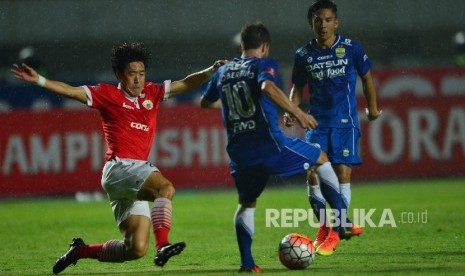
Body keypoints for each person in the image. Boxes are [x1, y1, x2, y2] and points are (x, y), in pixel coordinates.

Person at [11, 42, 225, 274]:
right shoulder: (108, 94)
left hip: (129, 178)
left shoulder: (151, 93)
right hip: (121, 167)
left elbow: (184, 83)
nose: (137, 80)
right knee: (166, 188)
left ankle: (80, 251)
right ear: (119, 74)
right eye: (132, 74)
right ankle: (163, 245)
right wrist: (39, 81)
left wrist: (211, 70)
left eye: (141, 74)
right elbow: (72, 91)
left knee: (135, 249)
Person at [200, 22, 348, 271]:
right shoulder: (263, 65)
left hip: (239, 153)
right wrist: (298, 113)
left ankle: (247, 264)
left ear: (241, 46)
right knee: (321, 158)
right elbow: (267, 87)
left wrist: (234, 108)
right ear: (265, 47)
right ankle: (342, 221)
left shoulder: (223, 72)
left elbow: (206, 102)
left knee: (246, 203)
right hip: (270, 146)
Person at [284, 0, 382, 250]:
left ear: (336, 22)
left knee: (342, 175)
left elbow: (367, 78)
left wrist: (371, 108)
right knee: (313, 173)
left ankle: (335, 232)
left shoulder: (351, 48)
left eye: (328, 20)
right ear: (311, 23)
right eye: (318, 20)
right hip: (316, 124)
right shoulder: (303, 54)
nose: (323, 24)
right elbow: (297, 87)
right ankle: (328, 226)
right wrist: (291, 109)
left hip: (345, 123)